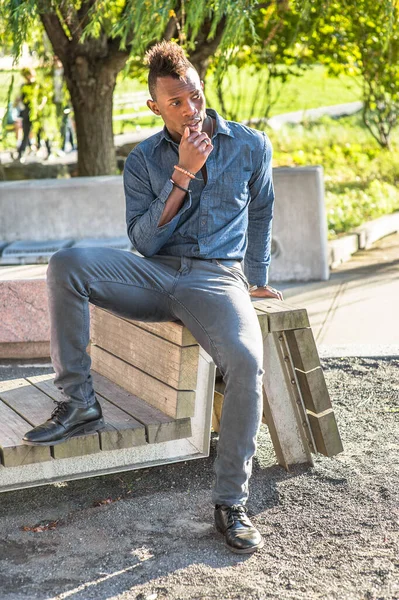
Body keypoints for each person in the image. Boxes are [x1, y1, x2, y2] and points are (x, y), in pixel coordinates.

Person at [22, 42, 283, 554]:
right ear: (155, 106)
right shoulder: (143, 159)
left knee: (248, 362)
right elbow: (143, 241)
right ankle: (79, 403)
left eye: (195, 96)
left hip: (215, 279)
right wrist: (182, 174)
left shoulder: (250, 146)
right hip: (153, 273)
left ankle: (231, 502)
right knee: (67, 263)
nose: (191, 110)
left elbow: (262, 212)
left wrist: (256, 276)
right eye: (177, 102)